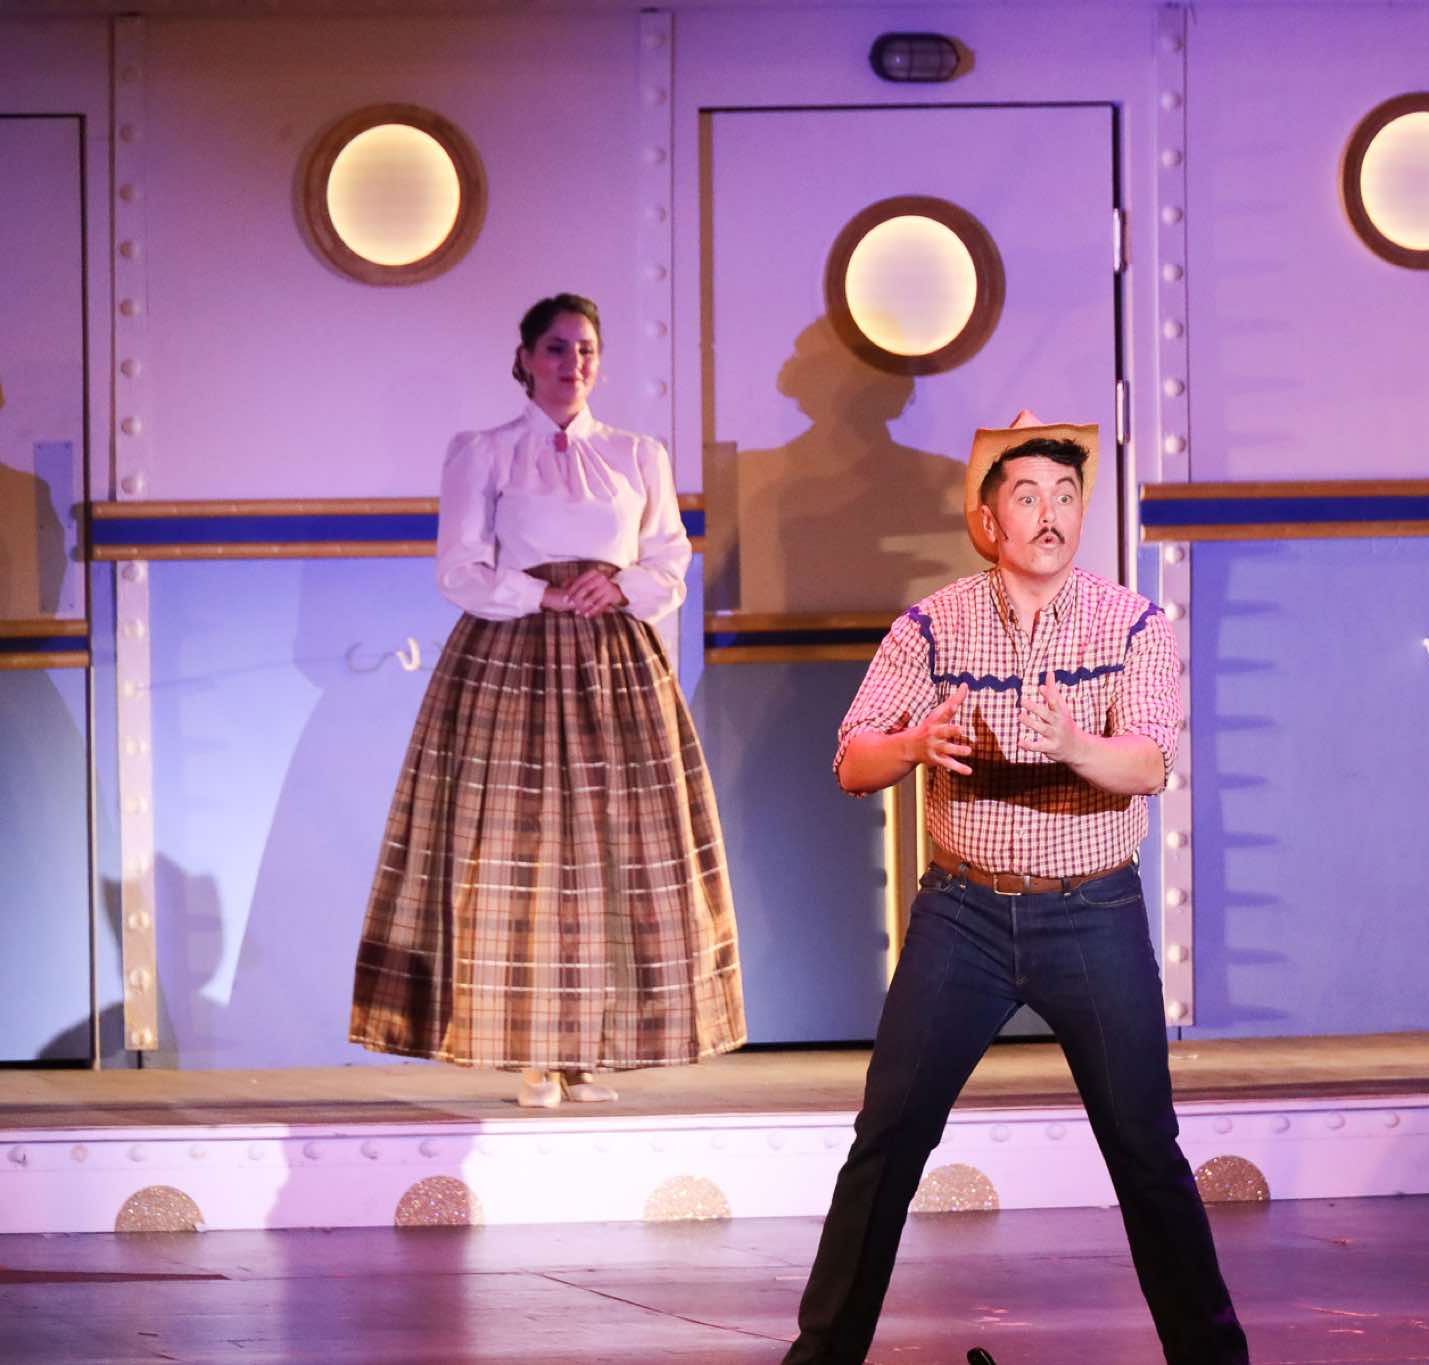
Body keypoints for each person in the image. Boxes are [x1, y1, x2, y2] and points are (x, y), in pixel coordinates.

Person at [782, 412, 1248, 1365]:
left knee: (1145, 1149)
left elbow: (1150, 762)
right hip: (963, 915)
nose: (1050, 516)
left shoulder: (1133, 623)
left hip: (1093, 910)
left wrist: (1076, 744)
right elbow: (852, 761)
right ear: (990, 521)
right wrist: (915, 743)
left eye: (1066, 498)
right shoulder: (932, 625)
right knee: (888, 1138)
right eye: (1028, 497)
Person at [349, 294, 744, 1108]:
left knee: (609, 852)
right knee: (518, 852)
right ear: (526, 358)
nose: (574, 364)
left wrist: (620, 584)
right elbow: (459, 567)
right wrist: (543, 595)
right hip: (513, 659)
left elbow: (670, 559)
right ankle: (531, 1052)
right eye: (558, 348)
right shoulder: (485, 451)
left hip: (612, 663)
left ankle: (586, 1052)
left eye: (586, 349)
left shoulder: (637, 454)